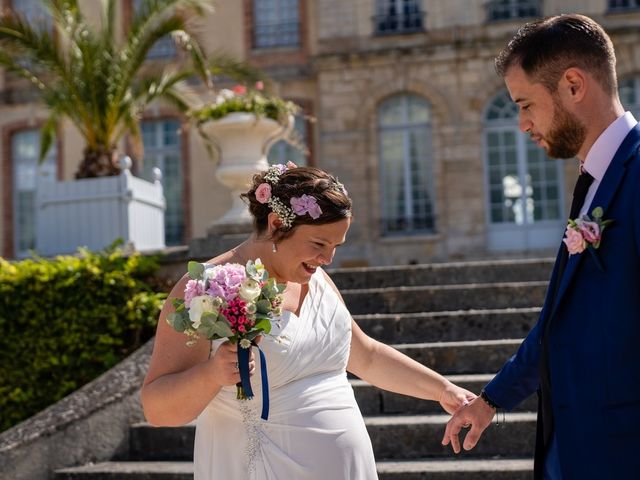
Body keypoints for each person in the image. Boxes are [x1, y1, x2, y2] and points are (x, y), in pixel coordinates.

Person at [141, 164, 475, 480]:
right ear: (275, 224)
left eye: (335, 247)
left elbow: (367, 356)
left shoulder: (318, 281)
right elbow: (157, 409)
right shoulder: (205, 289)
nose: (328, 259)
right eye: (318, 244)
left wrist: (442, 390)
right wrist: (211, 374)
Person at [441, 13, 640, 479]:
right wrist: (492, 401)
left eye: (526, 104)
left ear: (573, 85)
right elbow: (561, 323)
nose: (521, 124)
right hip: (575, 451)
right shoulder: (595, 181)